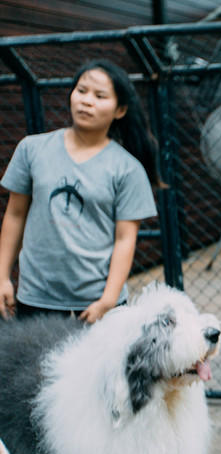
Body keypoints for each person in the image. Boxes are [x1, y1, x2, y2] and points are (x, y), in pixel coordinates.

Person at [0, 59, 159, 323]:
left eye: (100, 96)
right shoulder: (31, 149)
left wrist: (107, 301)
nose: (86, 101)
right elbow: (15, 215)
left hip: (99, 303)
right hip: (37, 298)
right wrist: (3, 276)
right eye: (81, 91)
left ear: (119, 110)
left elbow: (124, 239)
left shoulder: (127, 168)